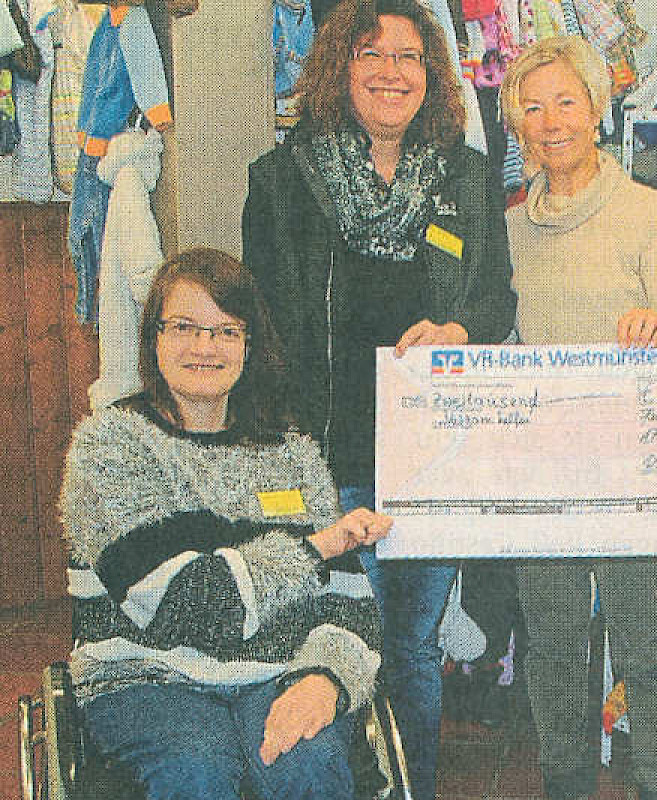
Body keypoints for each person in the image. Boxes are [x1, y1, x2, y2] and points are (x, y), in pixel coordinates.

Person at [242, 1, 516, 797]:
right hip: (321, 458)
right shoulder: (282, 179)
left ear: (432, 75)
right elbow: (260, 325)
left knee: (411, 651)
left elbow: (495, 298)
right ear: (341, 66)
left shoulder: (466, 177)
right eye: (373, 53)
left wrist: (460, 328)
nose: (393, 72)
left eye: (409, 57)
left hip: (427, 462)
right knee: (328, 646)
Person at [60, 248, 392, 800]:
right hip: (147, 674)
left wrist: (326, 679)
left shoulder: (291, 451)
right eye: (184, 327)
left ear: (249, 345)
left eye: (226, 331)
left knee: (308, 764)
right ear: (154, 337)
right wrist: (312, 550)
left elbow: (350, 599)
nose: (205, 347)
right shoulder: (111, 446)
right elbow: (184, 603)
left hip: (278, 671)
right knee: (200, 769)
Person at [500, 35, 657, 800]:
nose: (550, 121)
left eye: (566, 102)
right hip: (546, 468)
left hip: (634, 466)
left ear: (597, 111)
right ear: (516, 124)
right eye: (531, 108)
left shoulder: (646, 213)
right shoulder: (511, 227)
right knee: (553, 647)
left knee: (647, 649)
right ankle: (565, 784)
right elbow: (502, 339)